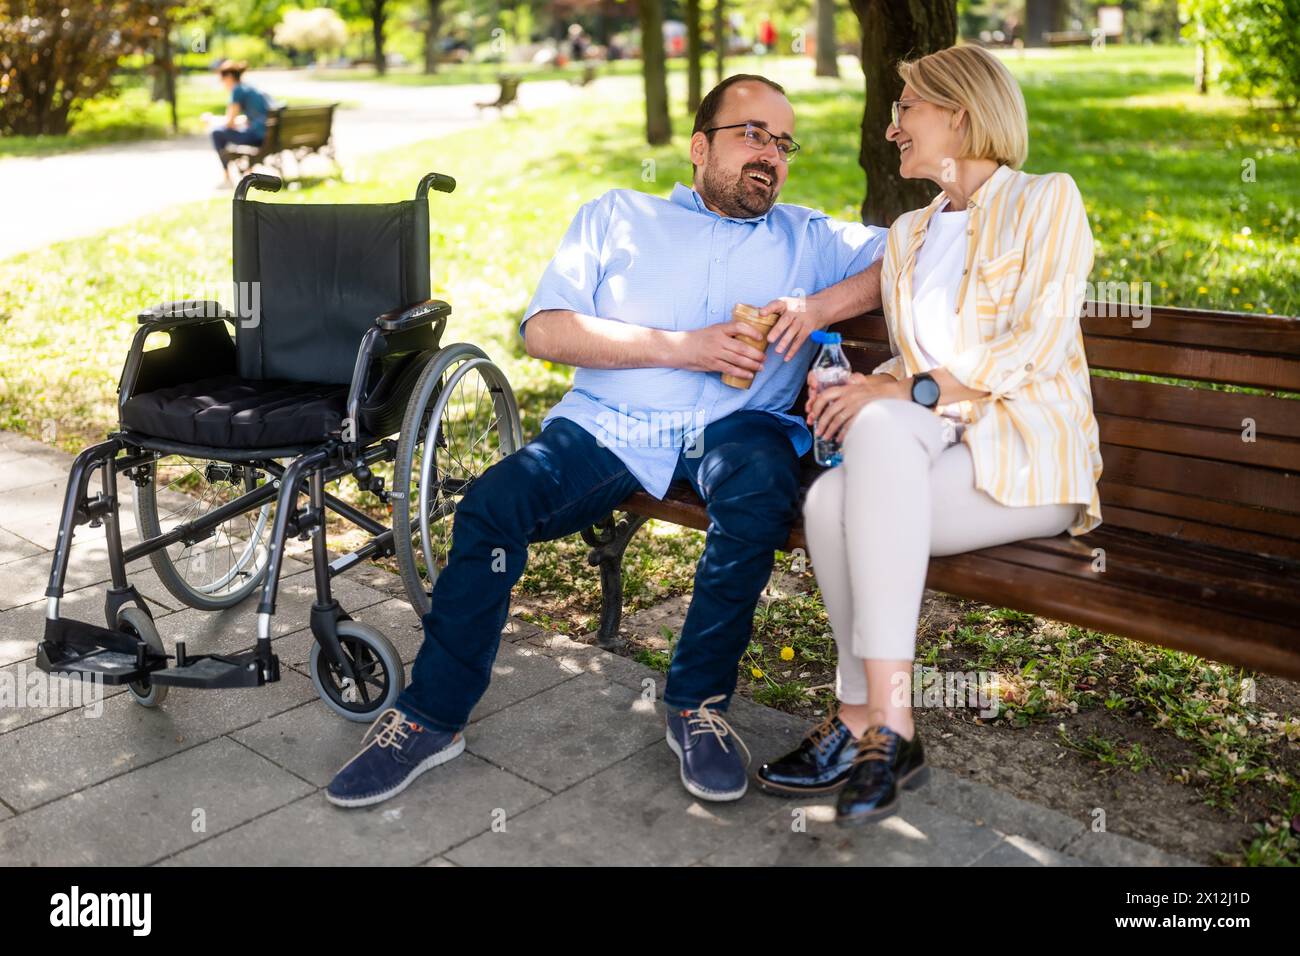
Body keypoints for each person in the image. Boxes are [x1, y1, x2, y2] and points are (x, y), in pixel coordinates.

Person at [326, 74, 890, 809]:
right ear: (698, 146)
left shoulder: (810, 239)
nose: (771, 157)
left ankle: (696, 704)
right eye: (753, 134)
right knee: (495, 505)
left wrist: (819, 303)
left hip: (738, 428)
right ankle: (433, 716)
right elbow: (545, 331)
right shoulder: (618, 216)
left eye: (783, 144)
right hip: (611, 428)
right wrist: (686, 348)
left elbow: (920, 252)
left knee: (757, 485)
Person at [755, 44, 1102, 826]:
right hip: (937, 454)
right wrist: (851, 386)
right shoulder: (909, 231)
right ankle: (876, 725)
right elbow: (914, 364)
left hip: (1026, 467)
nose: (891, 128)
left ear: (961, 113)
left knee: (861, 463)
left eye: (906, 109)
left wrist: (895, 390)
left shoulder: (1046, 199)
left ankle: (872, 723)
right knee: (829, 498)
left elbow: (1033, 344)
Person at [210, 59, 272, 190]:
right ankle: (246, 172)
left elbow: (229, 123)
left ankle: (227, 178)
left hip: (257, 136)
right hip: (268, 133)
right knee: (225, 131)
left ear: (229, 77)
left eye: (222, 80)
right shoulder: (250, 87)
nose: (222, 84)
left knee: (216, 133)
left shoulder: (237, 90)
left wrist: (212, 120)